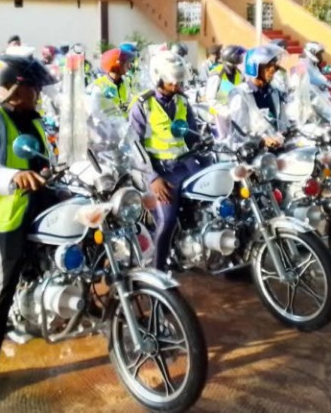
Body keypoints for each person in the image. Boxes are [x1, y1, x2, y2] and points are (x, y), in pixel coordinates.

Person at [0, 53, 58, 404]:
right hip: (2, 208)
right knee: (4, 280)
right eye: (35, 88)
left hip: (34, 199)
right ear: (15, 90)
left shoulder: (34, 120)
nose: (39, 94)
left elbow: (45, 159)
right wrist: (13, 176)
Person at [128, 50, 206, 272]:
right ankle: (157, 271)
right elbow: (134, 145)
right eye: (173, 81)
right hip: (159, 171)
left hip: (185, 165)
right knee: (168, 220)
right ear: (158, 78)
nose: (178, 85)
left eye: (180, 80)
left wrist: (204, 146)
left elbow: (192, 136)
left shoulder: (182, 101)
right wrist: (153, 178)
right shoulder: (142, 105)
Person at [228, 45, 287, 145]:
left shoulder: (274, 92)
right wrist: (262, 141)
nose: (273, 69)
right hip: (250, 153)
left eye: (274, 65)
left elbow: (282, 124)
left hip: (275, 151)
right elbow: (239, 133)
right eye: (268, 65)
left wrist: (285, 133)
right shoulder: (241, 94)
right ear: (254, 67)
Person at [204, 45, 247, 139]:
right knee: (224, 139)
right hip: (217, 115)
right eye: (238, 56)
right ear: (232, 57)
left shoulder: (239, 74)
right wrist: (225, 111)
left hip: (234, 115)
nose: (240, 58)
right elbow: (210, 98)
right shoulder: (217, 74)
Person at [91, 48, 134, 114]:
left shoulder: (125, 81)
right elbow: (95, 113)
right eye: (125, 63)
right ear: (115, 65)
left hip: (125, 122)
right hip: (108, 123)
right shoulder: (99, 86)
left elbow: (129, 103)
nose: (128, 66)